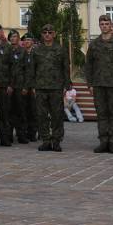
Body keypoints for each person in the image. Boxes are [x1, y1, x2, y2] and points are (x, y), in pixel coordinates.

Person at [85, 14, 113, 153]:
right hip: (98, 84)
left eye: (106, 24)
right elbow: (89, 65)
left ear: (110, 25)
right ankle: (103, 141)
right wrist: (90, 84)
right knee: (102, 114)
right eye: (102, 24)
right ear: (99, 26)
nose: (104, 26)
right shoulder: (94, 44)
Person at [31, 24, 70, 152]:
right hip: (41, 86)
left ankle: (56, 140)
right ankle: (46, 140)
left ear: (54, 34)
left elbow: (65, 68)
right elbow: (32, 69)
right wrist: (32, 85)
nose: (47, 34)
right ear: (42, 35)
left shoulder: (60, 49)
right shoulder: (36, 50)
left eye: (49, 32)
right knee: (42, 115)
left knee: (57, 115)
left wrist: (66, 85)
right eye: (44, 32)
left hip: (56, 87)